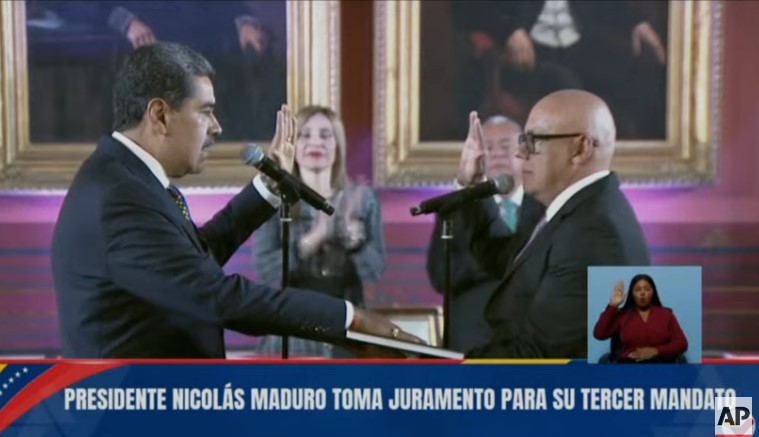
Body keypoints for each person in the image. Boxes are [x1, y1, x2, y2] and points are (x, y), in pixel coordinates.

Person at [50, 42, 418, 358]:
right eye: (205, 111)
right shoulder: (120, 196)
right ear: (160, 115)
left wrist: (268, 187)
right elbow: (216, 297)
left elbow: (192, 261)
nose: (217, 127)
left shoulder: (125, 178)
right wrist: (350, 320)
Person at [454, 89, 650, 358]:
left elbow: (536, 357)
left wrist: (442, 368)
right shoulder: (571, 209)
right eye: (523, 140)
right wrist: (473, 187)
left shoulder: (592, 231)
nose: (520, 153)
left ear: (581, 148)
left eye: (533, 140)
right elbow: (503, 260)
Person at [253, 105, 386, 358]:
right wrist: (310, 241)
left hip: (349, 328)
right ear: (293, 145)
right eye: (305, 135)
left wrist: (356, 246)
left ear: (338, 146)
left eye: (326, 135)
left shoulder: (363, 199)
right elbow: (264, 270)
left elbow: (376, 270)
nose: (316, 143)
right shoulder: (275, 199)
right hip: (291, 329)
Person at [425, 115, 543, 352]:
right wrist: (510, 265)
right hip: (472, 340)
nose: (497, 154)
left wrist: (477, 261)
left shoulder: (546, 206)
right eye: (488, 147)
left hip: (533, 341)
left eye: (505, 146)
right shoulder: (457, 207)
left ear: (524, 150)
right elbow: (440, 274)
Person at [593, 274, 688, 363]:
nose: (642, 293)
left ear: (653, 292)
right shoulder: (623, 315)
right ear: (632, 294)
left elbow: (682, 343)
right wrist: (612, 306)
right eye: (637, 289)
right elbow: (599, 334)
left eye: (647, 289)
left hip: (661, 365)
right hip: (629, 366)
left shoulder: (666, 314)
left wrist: (655, 351)